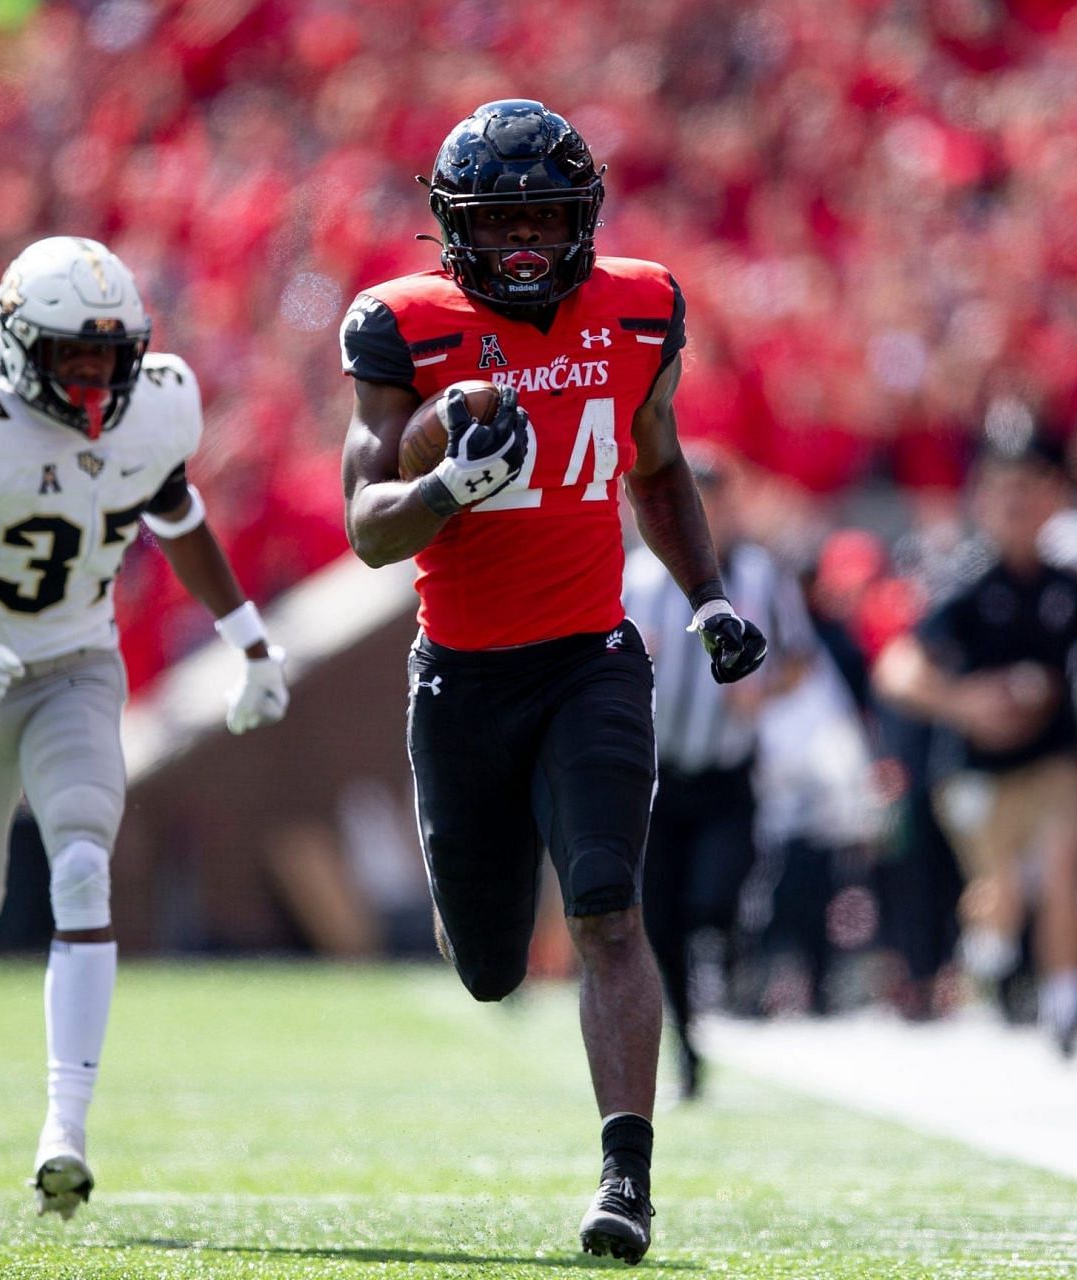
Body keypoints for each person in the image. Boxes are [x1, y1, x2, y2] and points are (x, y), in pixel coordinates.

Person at [338, 101, 768, 1264]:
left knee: (606, 906)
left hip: (592, 656)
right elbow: (368, 527)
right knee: (485, 964)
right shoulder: (403, 327)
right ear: (454, 228)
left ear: (584, 218)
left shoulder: (639, 308)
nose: (526, 241)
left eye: (545, 215)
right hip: (463, 678)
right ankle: (492, 908)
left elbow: (662, 469)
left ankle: (625, 1177)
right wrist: (445, 485)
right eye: (503, 218)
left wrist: (711, 597)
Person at [0, 236, 289, 1217]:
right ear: (17, 347)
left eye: (109, 356)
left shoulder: (158, 409)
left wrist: (252, 644)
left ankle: (66, 1128)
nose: (96, 376)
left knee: (84, 862)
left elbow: (181, 522)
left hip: (79, 668)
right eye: (73, 357)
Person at [874, 432, 1077, 1056]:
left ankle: (1066, 1004)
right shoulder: (965, 585)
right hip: (976, 770)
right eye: (1004, 492)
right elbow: (897, 670)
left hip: (1054, 759)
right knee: (1000, 890)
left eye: (1029, 491)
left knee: (1065, 867)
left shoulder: (1070, 588)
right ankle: (986, 956)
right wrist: (967, 703)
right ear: (983, 501)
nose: (1017, 505)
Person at [620, 450, 817, 1097]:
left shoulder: (761, 576)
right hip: (661, 774)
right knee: (662, 922)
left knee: (714, 899)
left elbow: (799, 659)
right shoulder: (643, 576)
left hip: (729, 771)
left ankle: (728, 959)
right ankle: (685, 1045)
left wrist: (762, 693)